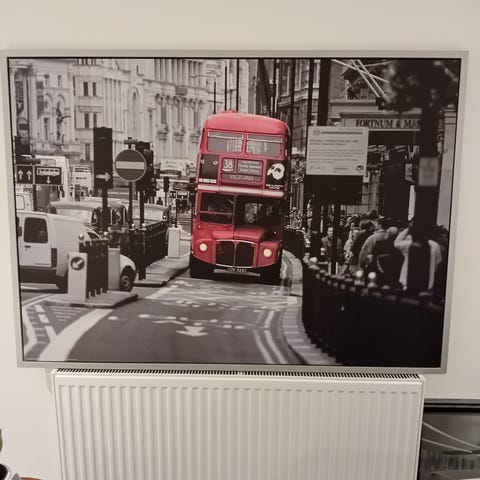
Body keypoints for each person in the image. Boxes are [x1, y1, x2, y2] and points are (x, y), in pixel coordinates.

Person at [394, 222, 442, 294]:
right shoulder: (435, 245)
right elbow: (438, 262)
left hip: (407, 283)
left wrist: (408, 229)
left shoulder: (410, 244)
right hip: (426, 285)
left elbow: (397, 243)